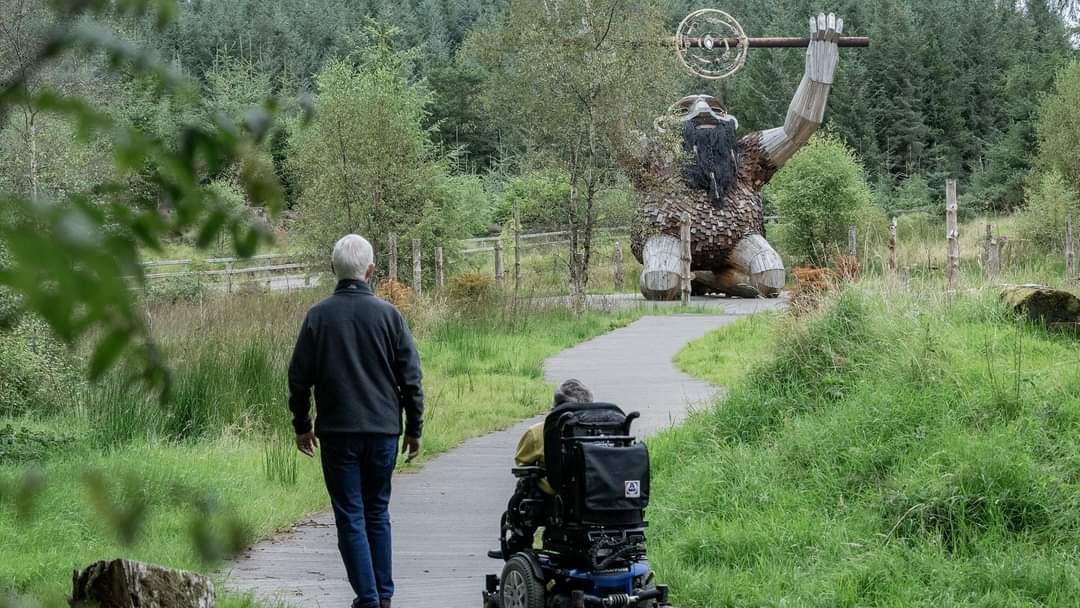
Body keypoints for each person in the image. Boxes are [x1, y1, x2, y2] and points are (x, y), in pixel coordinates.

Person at [288, 234, 424, 608]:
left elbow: (299, 378)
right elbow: (411, 378)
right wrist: (414, 429)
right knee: (377, 511)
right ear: (371, 270)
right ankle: (383, 596)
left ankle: (368, 598)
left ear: (334, 269)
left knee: (350, 515)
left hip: (338, 433)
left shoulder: (318, 317)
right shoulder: (390, 316)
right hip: (382, 431)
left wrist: (302, 424)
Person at [490, 379, 593, 558]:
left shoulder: (540, 431)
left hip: (560, 498)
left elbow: (522, 460)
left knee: (527, 481)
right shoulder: (601, 429)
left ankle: (519, 542)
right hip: (597, 491)